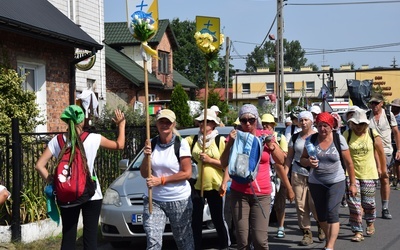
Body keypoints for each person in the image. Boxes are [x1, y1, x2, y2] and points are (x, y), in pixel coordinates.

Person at [35, 105, 126, 250]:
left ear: (66, 120)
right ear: (82, 121)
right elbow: (120, 145)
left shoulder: (56, 141)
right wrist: (121, 125)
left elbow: (39, 165)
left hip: (66, 195)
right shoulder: (93, 138)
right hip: (91, 194)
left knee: (68, 238)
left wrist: (53, 180)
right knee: (90, 241)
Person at [220, 104, 289, 250]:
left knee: (260, 240)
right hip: (239, 193)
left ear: (256, 119)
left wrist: (271, 145)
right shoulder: (234, 136)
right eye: (243, 120)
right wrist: (229, 144)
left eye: (251, 119)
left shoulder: (264, 136)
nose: (247, 123)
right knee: (242, 240)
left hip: (262, 193)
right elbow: (223, 163)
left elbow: (281, 160)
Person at [300, 112, 357, 250]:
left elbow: (349, 163)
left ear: (331, 126)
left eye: (325, 126)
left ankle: (330, 246)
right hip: (316, 182)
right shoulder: (310, 140)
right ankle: (329, 238)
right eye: (319, 126)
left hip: (336, 181)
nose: (322, 129)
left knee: (332, 212)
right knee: (321, 216)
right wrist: (308, 162)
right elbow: (302, 159)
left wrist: (353, 184)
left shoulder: (338, 139)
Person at [140, 109, 194, 250]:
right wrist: (146, 157)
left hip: (178, 199)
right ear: (156, 124)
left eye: (168, 122)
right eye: (161, 121)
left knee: (183, 240)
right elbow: (144, 173)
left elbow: (187, 173)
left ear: (173, 124)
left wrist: (162, 180)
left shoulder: (181, 144)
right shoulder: (151, 143)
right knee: (153, 240)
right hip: (154, 199)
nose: (164, 125)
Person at [186, 109, 230, 250]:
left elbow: (226, 164)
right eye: (200, 122)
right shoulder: (192, 140)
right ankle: (196, 246)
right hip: (197, 185)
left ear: (213, 124)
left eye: (206, 122)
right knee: (196, 221)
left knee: (218, 219)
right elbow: (178, 146)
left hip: (215, 185)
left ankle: (224, 246)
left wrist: (210, 160)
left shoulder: (220, 140)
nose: (202, 124)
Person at [343, 109, 386, 242]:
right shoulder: (347, 134)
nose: (358, 126)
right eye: (356, 124)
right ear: (351, 123)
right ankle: (357, 231)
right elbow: (342, 153)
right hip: (351, 174)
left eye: (361, 124)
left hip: (369, 173)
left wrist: (382, 169)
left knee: (369, 203)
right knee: (354, 204)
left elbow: (380, 153)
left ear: (366, 124)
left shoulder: (373, 134)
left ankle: (370, 222)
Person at [285, 111, 323, 246]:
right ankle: (306, 232)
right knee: (300, 205)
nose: (303, 122)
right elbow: (289, 157)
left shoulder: (318, 137)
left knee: (315, 203)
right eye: (301, 120)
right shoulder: (295, 138)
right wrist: (286, 175)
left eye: (306, 120)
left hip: (316, 174)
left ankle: (320, 224)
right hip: (298, 172)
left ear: (312, 121)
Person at [261, 113, 294, 239]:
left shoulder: (280, 137)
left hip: (279, 174)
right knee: (266, 204)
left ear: (273, 126)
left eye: (267, 124)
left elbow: (285, 158)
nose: (265, 126)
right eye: (263, 124)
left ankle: (280, 226)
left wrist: (274, 147)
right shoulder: (259, 137)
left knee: (280, 204)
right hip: (266, 174)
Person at [367, 93, 400, 219]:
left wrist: (399, 150)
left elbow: (396, 132)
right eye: (372, 103)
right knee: (369, 180)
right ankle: (367, 209)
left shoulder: (388, 115)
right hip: (370, 151)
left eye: (376, 103)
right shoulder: (367, 115)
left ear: (382, 103)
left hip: (385, 151)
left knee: (384, 177)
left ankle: (385, 208)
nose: (373, 105)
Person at [390, 99, 400, 189]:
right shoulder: (389, 116)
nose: (392, 108)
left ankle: (398, 180)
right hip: (389, 141)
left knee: (397, 162)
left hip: (397, 142)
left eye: (394, 106)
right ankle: (393, 178)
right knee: (391, 162)